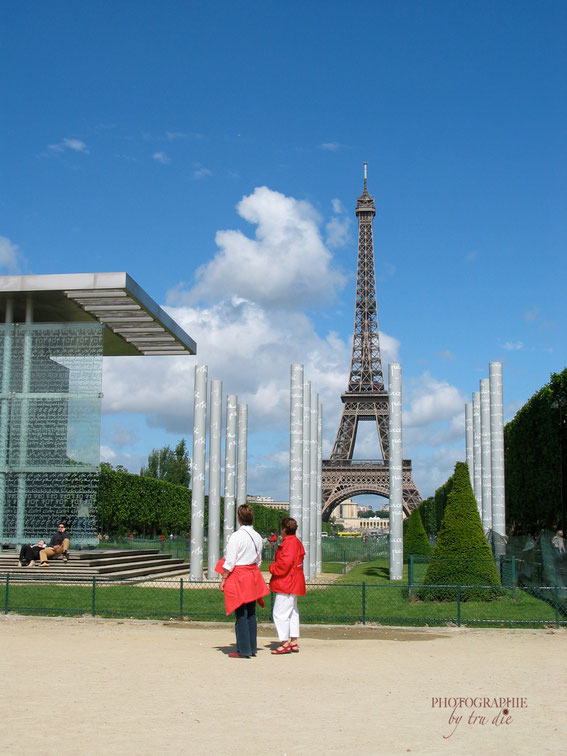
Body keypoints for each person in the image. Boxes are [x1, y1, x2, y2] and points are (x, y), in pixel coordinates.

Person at [215, 504, 269, 658]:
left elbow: (230, 561)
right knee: (251, 613)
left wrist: (223, 579)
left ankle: (243, 649)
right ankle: (251, 647)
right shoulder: (257, 536)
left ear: (239, 519)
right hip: (252, 576)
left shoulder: (236, 537)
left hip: (239, 576)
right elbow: (258, 561)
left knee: (241, 613)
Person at [268, 517, 306, 655]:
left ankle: (284, 643)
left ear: (284, 530)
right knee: (292, 612)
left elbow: (284, 564)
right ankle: (293, 641)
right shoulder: (296, 542)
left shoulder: (288, 544)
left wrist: (272, 568)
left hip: (286, 583)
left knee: (279, 613)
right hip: (295, 581)